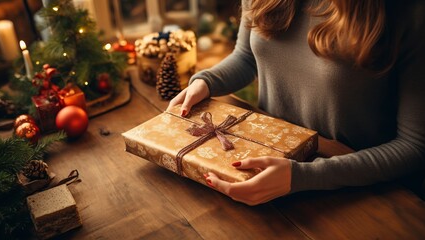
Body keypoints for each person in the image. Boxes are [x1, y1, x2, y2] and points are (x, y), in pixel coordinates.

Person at [168, 0, 425, 205]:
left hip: (354, 188)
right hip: (263, 162)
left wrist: (301, 177)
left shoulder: (408, 13)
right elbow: (247, 57)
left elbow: (414, 145)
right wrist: (206, 82)